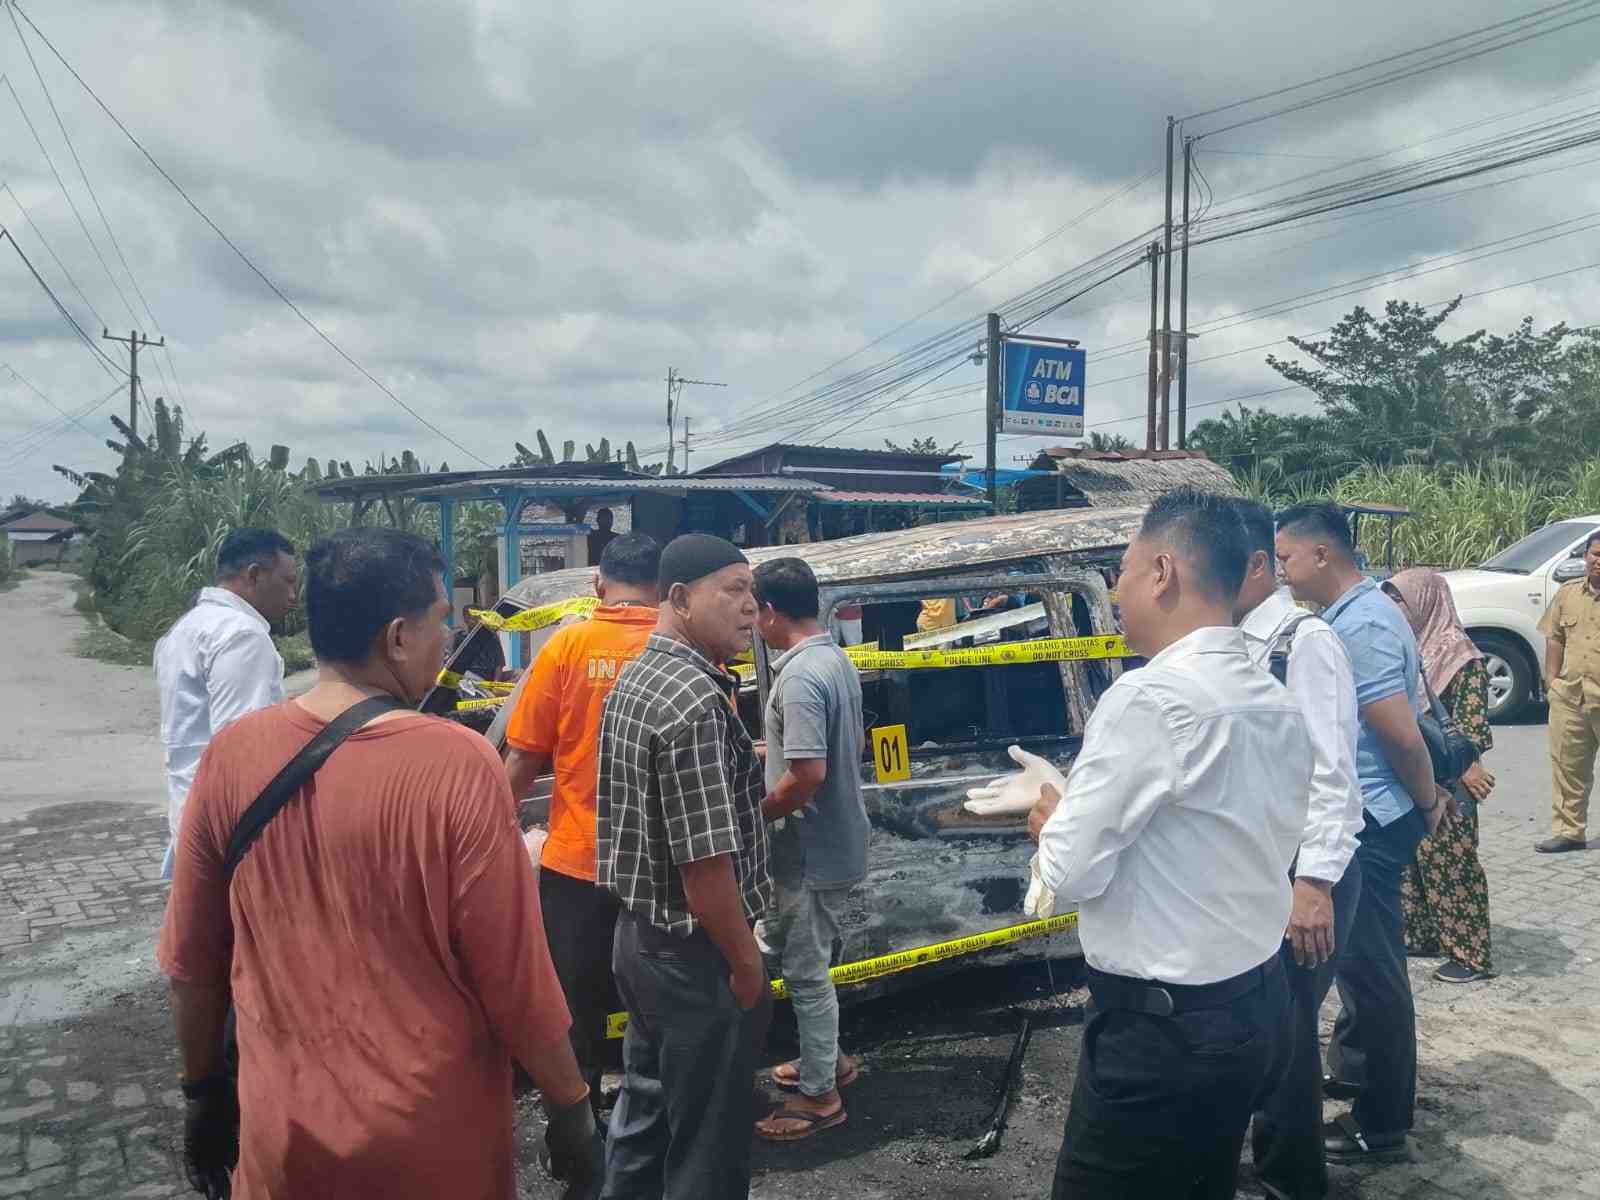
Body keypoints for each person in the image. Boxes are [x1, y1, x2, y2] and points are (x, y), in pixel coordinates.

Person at [158, 527, 601, 1198]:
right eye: (441, 621)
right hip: (431, 1143)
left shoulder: (230, 757)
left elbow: (193, 965)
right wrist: (571, 1106)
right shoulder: (457, 764)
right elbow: (515, 978)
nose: (447, 639)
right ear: (397, 638)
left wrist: (201, 1095)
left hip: (285, 1140)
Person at [1027, 488, 1309, 1199]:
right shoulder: (1270, 695)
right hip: (1255, 1004)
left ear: (1161, 572)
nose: (1113, 592)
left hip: (1165, 1034)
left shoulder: (1149, 698)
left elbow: (1069, 871)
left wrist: (1051, 820)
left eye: (1119, 573)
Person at [595, 533, 772, 1200]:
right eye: (734, 590)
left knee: (645, 1122)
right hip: (694, 956)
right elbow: (704, 869)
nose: (751, 606)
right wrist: (747, 964)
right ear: (679, 598)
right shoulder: (694, 700)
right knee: (708, 1147)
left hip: (639, 941)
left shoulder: (641, 675)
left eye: (752, 591)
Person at [1275, 504, 1443, 1166]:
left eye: (1286, 557)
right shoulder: (1356, 613)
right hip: (1374, 813)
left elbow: (1398, 732)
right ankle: (1356, 1080)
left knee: (1373, 974)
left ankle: (1382, 1123)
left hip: (1372, 819)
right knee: (1364, 969)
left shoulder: (1361, 624)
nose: (1281, 571)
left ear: (1322, 555)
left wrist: (1428, 801)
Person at [1230, 499, 1365, 1200]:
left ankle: (1292, 1182)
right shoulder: (1237, 641)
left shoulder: (1304, 643)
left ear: (1256, 567)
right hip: (1261, 869)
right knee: (1263, 1027)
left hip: (1303, 875)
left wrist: (1312, 884)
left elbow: (1332, 772)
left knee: (1286, 1037)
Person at [505, 532, 662, 1115]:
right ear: (660, 586)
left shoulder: (567, 646)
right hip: (660, 864)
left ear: (599, 583)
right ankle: (656, 1119)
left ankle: (575, 1128)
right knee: (659, 996)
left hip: (577, 860)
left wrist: (490, 832)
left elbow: (523, 757)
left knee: (575, 1004)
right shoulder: (680, 647)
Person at [749, 558, 868, 1143]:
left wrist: (753, 816)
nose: (753, 623)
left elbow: (807, 773)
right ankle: (829, 1060)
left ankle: (821, 1096)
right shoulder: (834, 660)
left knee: (805, 971)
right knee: (800, 953)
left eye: (755, 611)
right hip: (835, 840)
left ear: (771, 611)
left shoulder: (798, 678)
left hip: (809, 849)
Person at [155, 528, 299, 880]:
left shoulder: (184, 629)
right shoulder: (242, 634)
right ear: (254, 575)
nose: (293, 595)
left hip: (190, 810)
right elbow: (243, 747)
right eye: (288, 581)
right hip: (230, 828)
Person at [1382, 570, 1496, 982]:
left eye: (1399, 600)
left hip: (1450, 776)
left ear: (1426, 603)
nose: (1392, 608)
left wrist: (1466, 766)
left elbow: (1471, 727)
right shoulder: (1411, 647)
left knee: (1453, 864)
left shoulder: (1461, 657)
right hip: (1417, 772)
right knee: (1415, 859)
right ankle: (1424, 934)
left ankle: (1471, 955)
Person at [1535, 529, 1600, 852]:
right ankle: (1570, 832)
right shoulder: (1567, 593)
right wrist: (1552, 682)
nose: (1599, 562)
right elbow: (1555, 637)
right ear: (1586, 556)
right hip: (1571, 697)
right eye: (1596, 555)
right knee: (1568, 768)